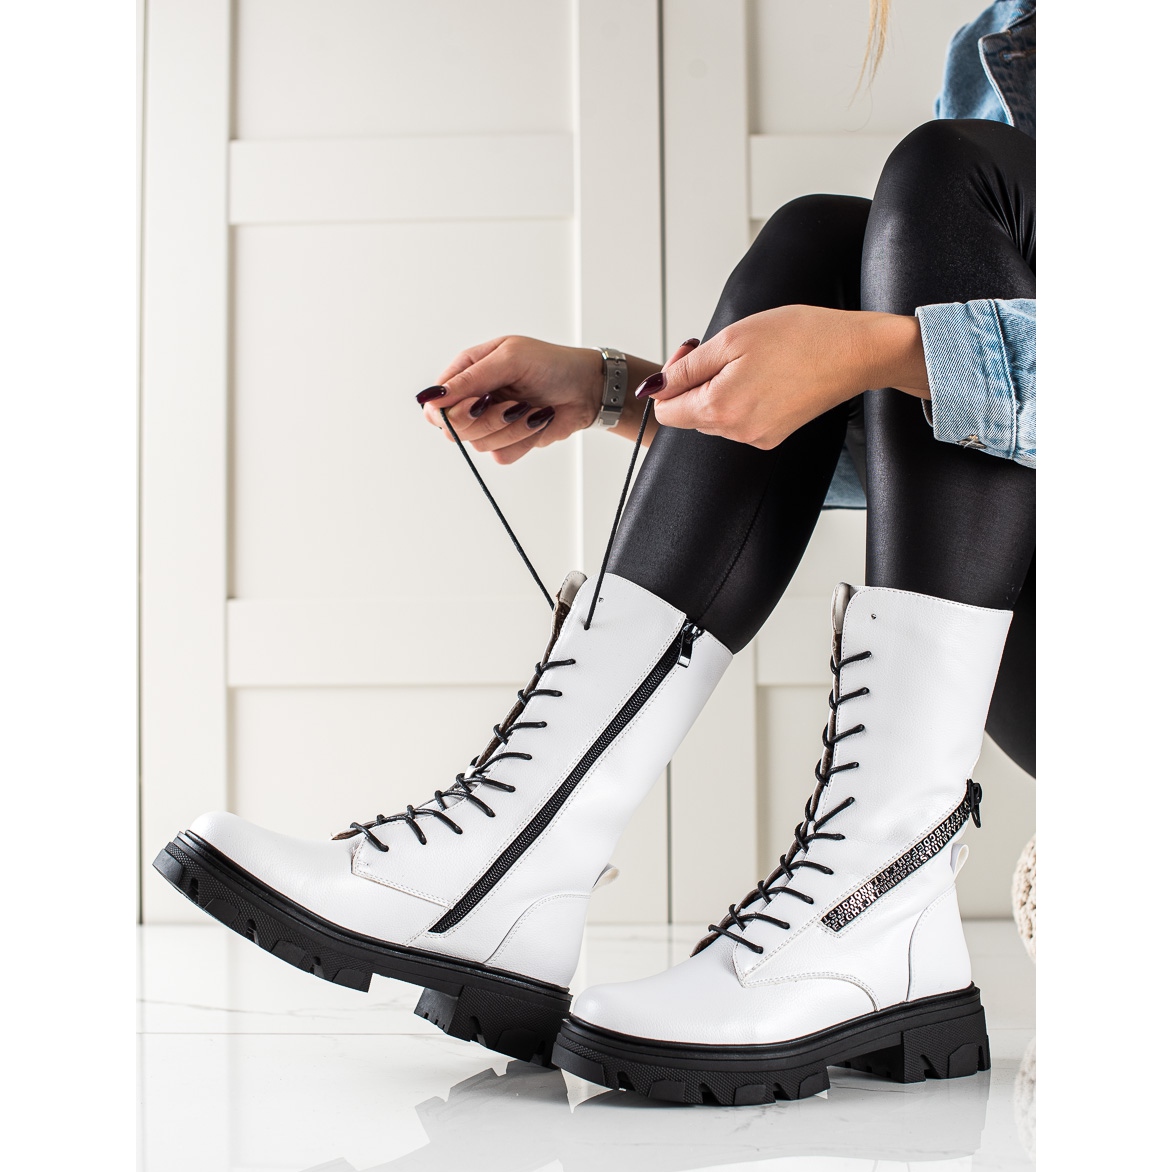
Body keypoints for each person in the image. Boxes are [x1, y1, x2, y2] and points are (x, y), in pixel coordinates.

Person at [155, 1, 1035, 1105]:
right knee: (817, 237)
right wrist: (619, 389)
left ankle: (874, 888)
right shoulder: (1000, 35)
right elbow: (960, 452)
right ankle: (521, 858)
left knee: (952, 166)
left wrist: (881, 348)